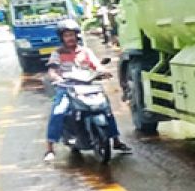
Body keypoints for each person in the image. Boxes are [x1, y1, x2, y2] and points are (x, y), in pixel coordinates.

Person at [43, 19, 131, 162]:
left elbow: (96, 65)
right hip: (67, 87)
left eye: (72, 35)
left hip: (88, 86)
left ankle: (116, 141)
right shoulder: (57, 54)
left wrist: (103, 71)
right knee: (58, 111)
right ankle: (50, 148)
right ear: (62, 38)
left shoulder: (85, 51)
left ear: (76, 35)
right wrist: (56, 78)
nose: (70, 38)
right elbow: (52, 70)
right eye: (66, 35)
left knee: (106, 109)